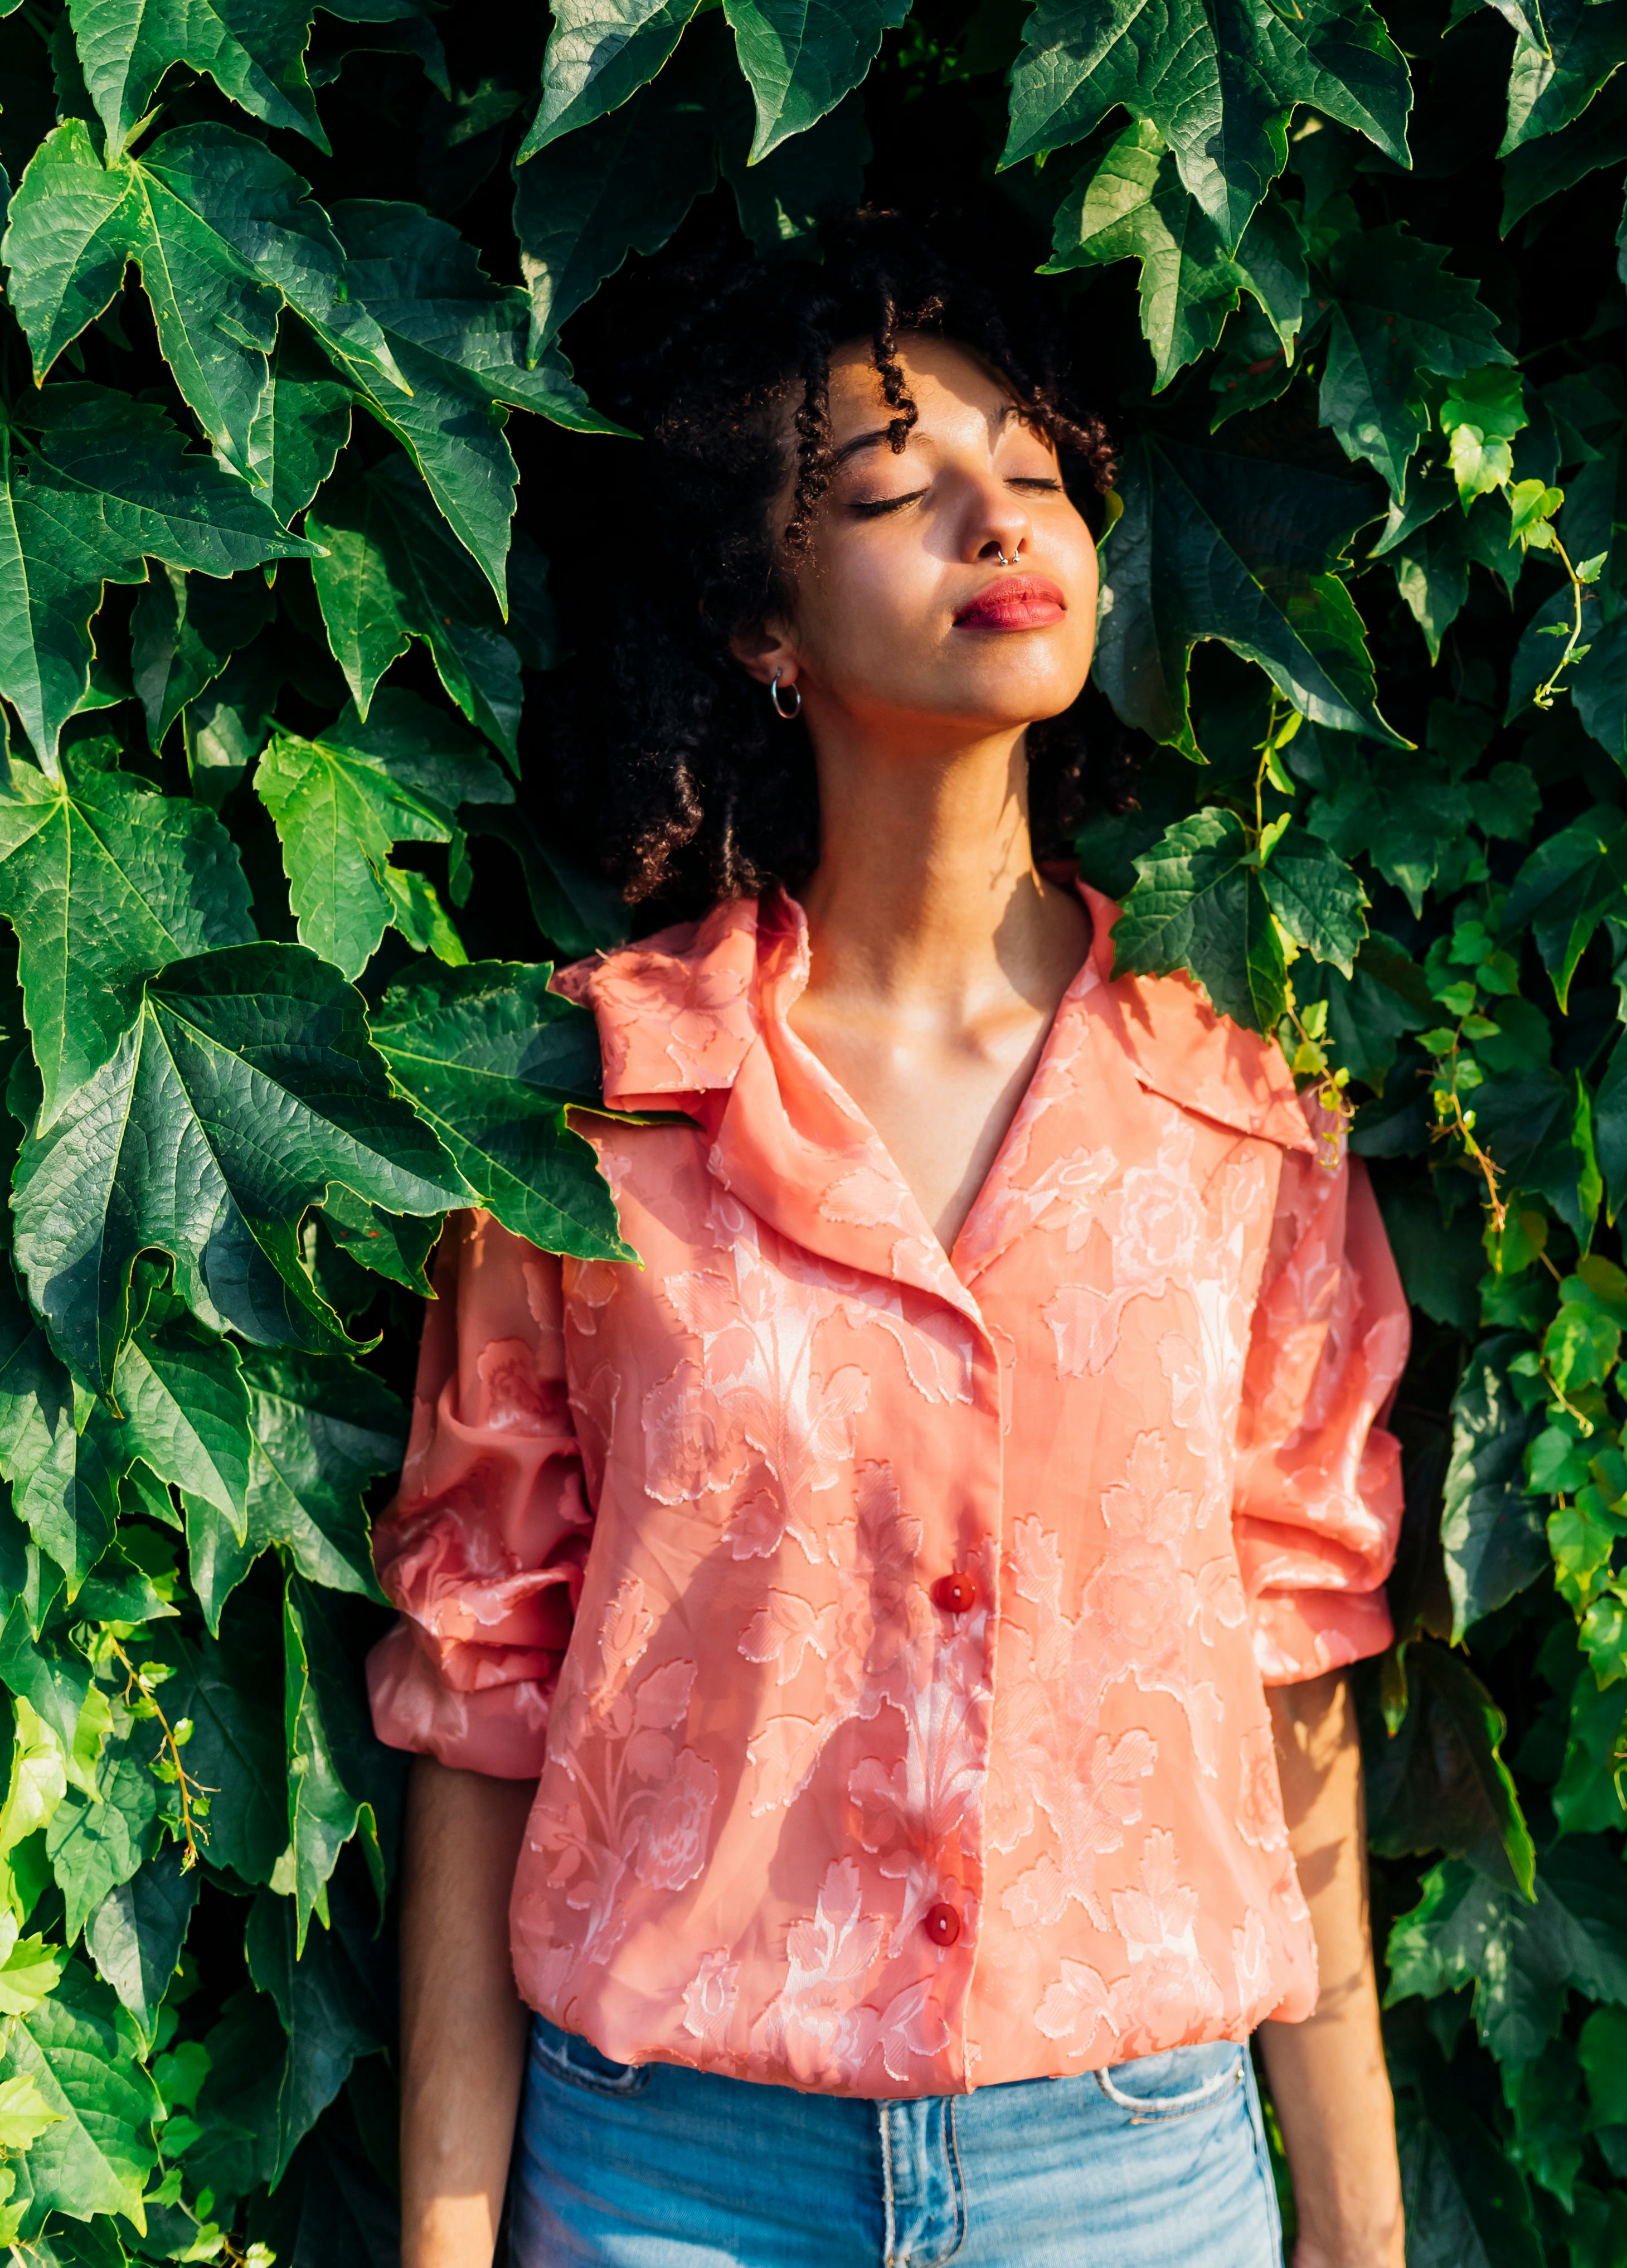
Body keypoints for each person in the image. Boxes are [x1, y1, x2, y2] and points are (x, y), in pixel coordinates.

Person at [368, 235, 1411, 2268]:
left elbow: (1299, 1662)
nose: (996, 520)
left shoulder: (1241, 1116)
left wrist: (1360, 2231)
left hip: (1133, 2180)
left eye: (1034, 473)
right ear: (765, 617)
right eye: (892, 488)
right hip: (671, 2180)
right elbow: (482, 1695)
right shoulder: (592, 1114)